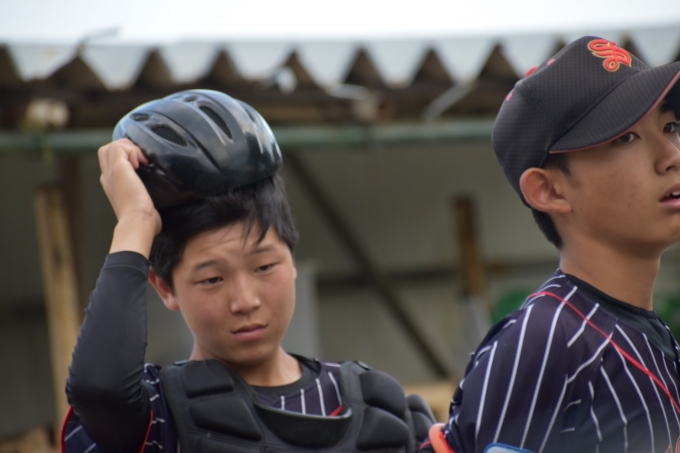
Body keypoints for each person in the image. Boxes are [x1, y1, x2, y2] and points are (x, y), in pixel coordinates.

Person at [61, 89, 434, 453]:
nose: (246, 301)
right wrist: (136, 220)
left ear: (292, 257)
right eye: (213, 279)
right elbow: (98, 389)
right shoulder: (159, 417)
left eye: (264, 266)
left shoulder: (384, 412)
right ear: (165, 288)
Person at [419, 36, 680, 453]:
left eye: (670, 127)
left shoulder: (646, 332)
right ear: (549, 190)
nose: (671, 154)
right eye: (626, 138)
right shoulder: (548, 338)